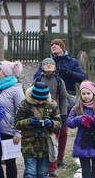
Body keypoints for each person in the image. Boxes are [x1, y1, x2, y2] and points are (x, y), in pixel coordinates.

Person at [32, 38, 87, 170]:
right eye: (52, 45)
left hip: (66, 98)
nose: (54, 46)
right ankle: (47, 156)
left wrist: (69, 73)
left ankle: (59, 157)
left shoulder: (72, 61)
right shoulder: (47, 61)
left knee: (63, 130)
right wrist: (47, 73)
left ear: (62, 47)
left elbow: (82, 77)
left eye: (56, 45)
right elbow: (36, 76)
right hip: (48, 98)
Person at [14, 82, 62, 178]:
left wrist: (50, 123)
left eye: (42, 100)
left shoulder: (52, 105)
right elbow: (17, 123)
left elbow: (59, 123)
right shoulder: (25, 104)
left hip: (45, 144)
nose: (40, 102)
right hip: (29, 144)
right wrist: (30, 122)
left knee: (42, 173)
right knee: (30, 172)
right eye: (37, 100)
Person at [0, 60, 26, 178]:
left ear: (6, 72)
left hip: (10, 131)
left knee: (10, 162)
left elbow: (22, 111)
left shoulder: (16, 89)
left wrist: (18, 132)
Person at [34, 57, 68, 177]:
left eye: (51, 64)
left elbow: (63, 98)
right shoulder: (38, 79)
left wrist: (63, 114)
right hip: (40, 114)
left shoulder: (59, 81)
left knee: (54, 141)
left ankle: (52, 167)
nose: (48, 65)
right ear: (42, 67)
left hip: (55, 115)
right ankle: (40, 166)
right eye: (46, 64)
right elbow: (31, 96)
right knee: (40, 140)